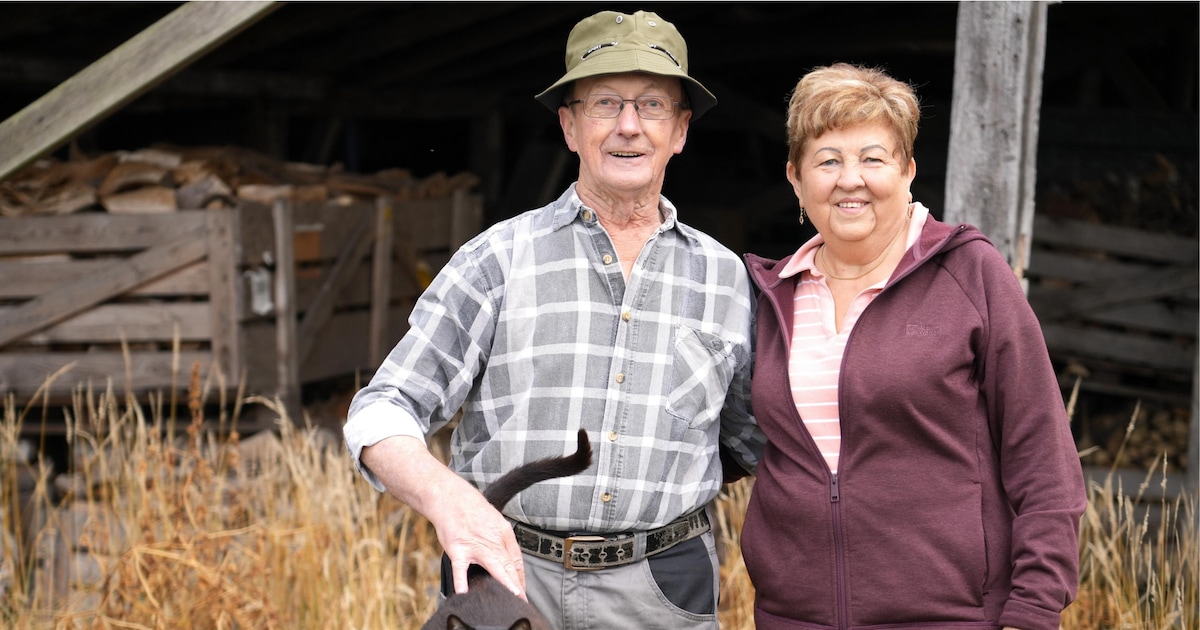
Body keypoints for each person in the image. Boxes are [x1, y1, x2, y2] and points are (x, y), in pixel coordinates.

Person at [343, 9, 763, 629]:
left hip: (660, 592)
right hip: (507, 580)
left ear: (680, 130)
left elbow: (758, 441)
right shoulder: (495, 260)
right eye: (604, 104)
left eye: (651, 106)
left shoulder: (727, 279)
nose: (628, 127)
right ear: (569, 126)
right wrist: (450, 500)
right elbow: (381, 410)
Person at [740, 63, 1086, 630]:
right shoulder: (770, 296)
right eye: (828, 160)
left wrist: (1033, 609)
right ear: (796, 179)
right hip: (792, 617)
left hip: (949, 616)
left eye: (872, 158)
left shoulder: (971, 274)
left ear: (907, 171)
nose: (850, 178)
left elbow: (1045, 463)